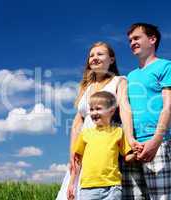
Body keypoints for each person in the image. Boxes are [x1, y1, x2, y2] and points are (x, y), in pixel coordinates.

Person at [56, 42, 138, 200]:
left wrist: (130, 137)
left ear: (112, 60)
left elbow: (125, 107)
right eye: (91, 55)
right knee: (71, 193)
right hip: (84, 147)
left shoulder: (119, 81)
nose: (94, 58)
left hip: (104, 148)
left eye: (100, 54)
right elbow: (78, 121)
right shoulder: (87, 86)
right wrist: (73, 153)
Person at [121, 23, 171, 199]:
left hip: (157, 144)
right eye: (130, 40)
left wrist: (155, 141)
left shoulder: (166, 67)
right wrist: (130, 139)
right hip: (133, 148)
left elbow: (168, 106)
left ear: (152, 39)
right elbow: (127, 109)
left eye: (137, 38)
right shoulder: (130, 76)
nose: (132, 42)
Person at [67, 91, 136, 200]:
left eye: (98, 108)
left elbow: (127, 156)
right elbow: (77, 161)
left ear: (112, 111)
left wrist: (137, 153)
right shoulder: (85, 134)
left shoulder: (118, 132)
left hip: (112, 187)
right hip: (88, 188)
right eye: (91, 109)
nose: (94, 113)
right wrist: (71, 183)